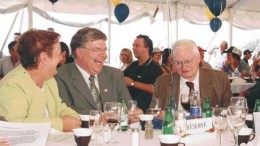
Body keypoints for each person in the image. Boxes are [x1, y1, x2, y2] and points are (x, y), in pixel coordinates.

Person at [0, 29, 81, 132]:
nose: (61, 58)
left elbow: (60, 108)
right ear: (44, 58)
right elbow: (14, 125)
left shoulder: (49, 80)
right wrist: (60, 124)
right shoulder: (12, 85)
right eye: (59, 54)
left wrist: (82, 119)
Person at [55, 27, 133, 114]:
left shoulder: (115, 75)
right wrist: (100, 117)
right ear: (79, 53)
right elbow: (65, 110)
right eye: (97, 50)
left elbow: (127, 107)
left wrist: (134, 112)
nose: (104, 55)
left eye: (104, 50)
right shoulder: (60, 76)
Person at [151, 39, 232, 115]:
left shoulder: (220, 79)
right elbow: (152, 113)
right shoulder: (162, 82)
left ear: (198, 58)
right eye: (178, 63)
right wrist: (157, 116)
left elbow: (229, 112)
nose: (183, 67)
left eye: (188, 61)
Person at [124, 35, 163, 113]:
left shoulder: (155, 68)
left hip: (144, 113)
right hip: (129, 109)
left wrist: (132, 83)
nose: (133, 48)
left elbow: (155, 89)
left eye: (137, 46)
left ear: (147, 48)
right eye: (133, 45)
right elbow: (121, 78)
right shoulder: (133, 65)